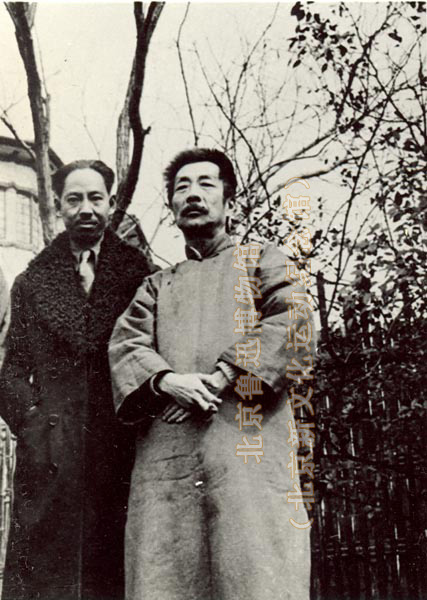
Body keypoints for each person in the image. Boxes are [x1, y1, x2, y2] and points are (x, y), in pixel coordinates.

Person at [109, 148, 315, 600]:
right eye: (182, 187)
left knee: (255, 573)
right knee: (166, 575)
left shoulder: (263, 261)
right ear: (171, 208)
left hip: (247, 446)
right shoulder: (156, 286)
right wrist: (169, 382)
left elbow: (293, 320)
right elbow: (126, 346)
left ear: (229, 201)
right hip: (169, 458)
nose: (193, 195)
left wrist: (223, 375)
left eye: (205, 184)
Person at [0, 160, 155, 600]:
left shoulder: (139, 275)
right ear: (58, 207)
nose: (86, 209)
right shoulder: (31, 283)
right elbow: (10, 369)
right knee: (48, 574)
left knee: (116, 569)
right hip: (51, 451)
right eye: (74, 199)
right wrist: (34, 424)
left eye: (95, 198)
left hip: (121, 447)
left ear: (111, 203)